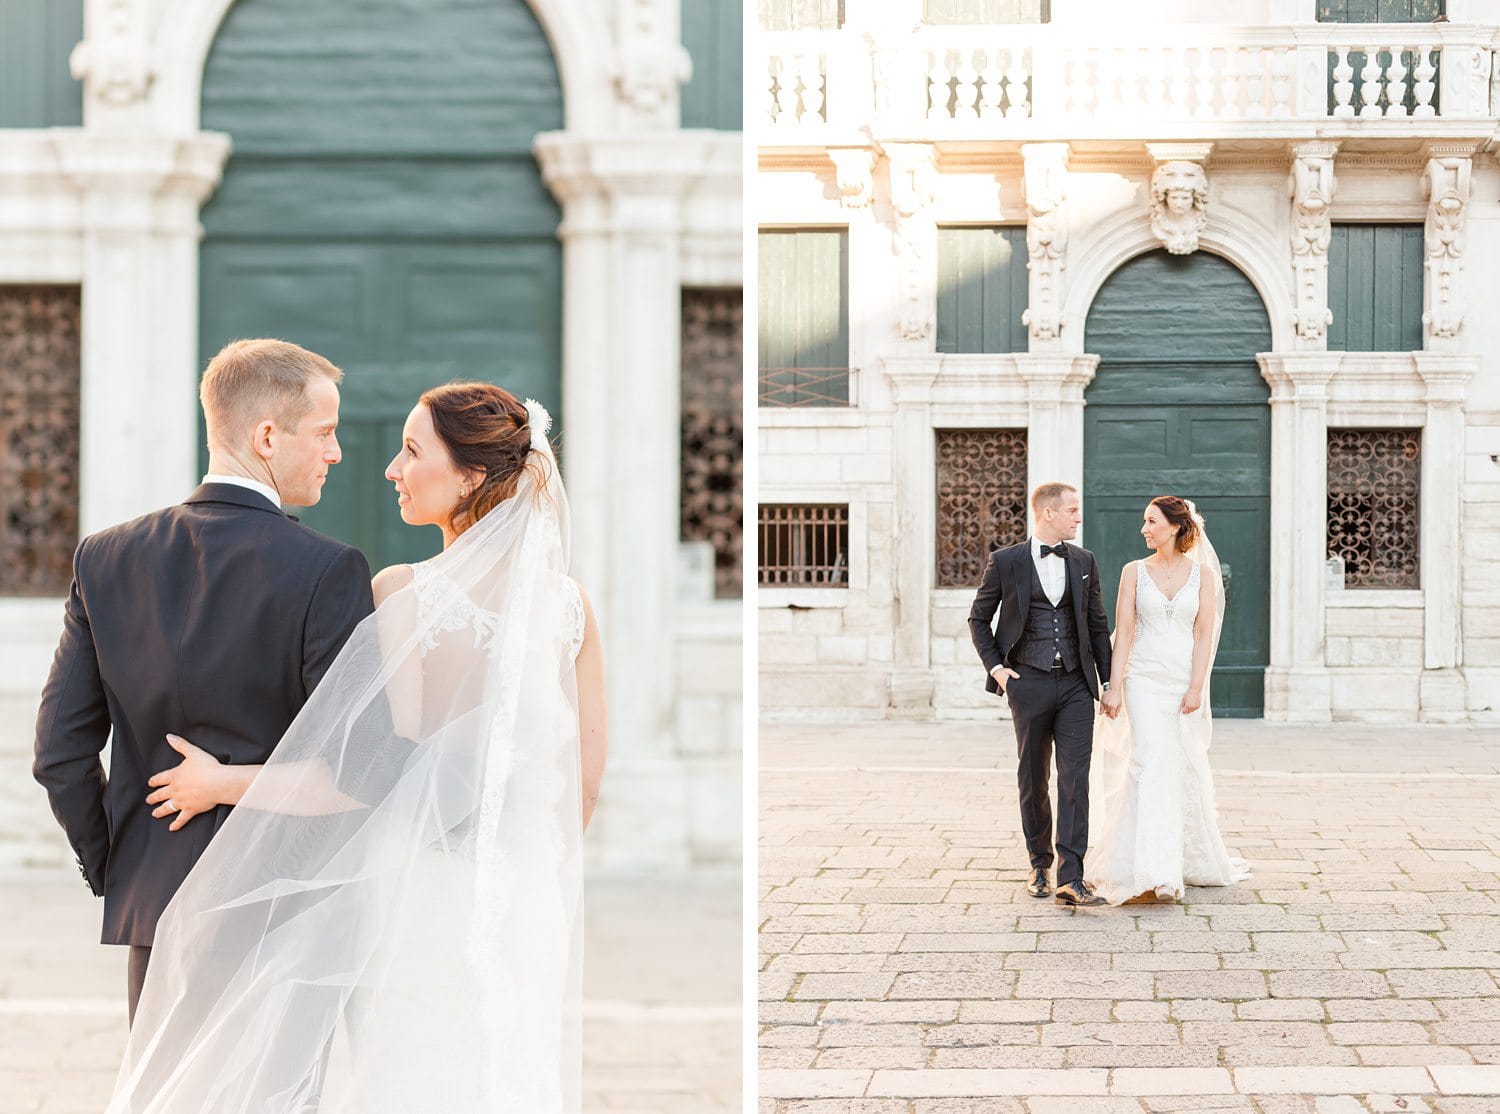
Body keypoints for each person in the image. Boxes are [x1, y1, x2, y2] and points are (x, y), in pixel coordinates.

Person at [107, 382, 606, 1112]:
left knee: (401, 1080)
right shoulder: (571, 607)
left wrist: (220, 783)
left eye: (410, 451)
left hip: (411, 898)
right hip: (522, 897)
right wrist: (514, 877)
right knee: (502, 1074)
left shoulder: (404, 593)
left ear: (469, 477)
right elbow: (582, 787)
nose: (390, 470)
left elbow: (363, 777)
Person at [33, 338, 373, 1027]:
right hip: (289, 912)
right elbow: (360, 767)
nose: (336, 453)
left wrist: (123, 869)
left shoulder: (106, 557)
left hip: (156, 915)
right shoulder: (328, 570)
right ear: (267, 436)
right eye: (326, 433)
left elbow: (59, 757)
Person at [1085, 496, 1249, 905]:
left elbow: (1203, 634)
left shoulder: (1203, 576)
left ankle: (1174, 860)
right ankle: (1150, 870)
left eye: (1151, 521)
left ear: (1175, 527)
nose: (1144, 528)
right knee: (1148, 760)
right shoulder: (1133, 572)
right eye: (1144, 521)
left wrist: (1196, 686)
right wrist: (1115, 685)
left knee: (1176, 763)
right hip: (1141, 678)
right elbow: (1124, 630)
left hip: (1181, 681)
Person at [968, 482, 1115, 908]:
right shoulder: (1006, 561)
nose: (1078, 517)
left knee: (1075, 780)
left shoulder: (1084, 561)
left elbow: (1097, 622)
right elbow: (979, 618)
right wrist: (997, 668)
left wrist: (1107, 685)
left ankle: (1072, 876)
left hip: (1075, 683)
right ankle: (1039, 863)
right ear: (1047, 513)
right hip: (1027, 681)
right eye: (1072, 510)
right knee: (1033, 776)